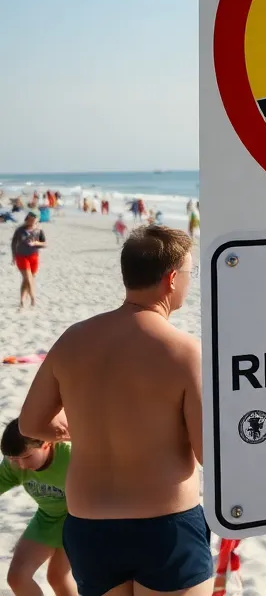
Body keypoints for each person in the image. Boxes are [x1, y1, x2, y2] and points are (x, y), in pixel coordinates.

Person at [19, 226, 211, 596]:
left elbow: (32, 422)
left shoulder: (73, 339)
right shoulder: (184, 351)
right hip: (165, 524)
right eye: (190, 272)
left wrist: (75, 429)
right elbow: (206, 453)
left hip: (90, 524)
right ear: (171, 279)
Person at [0, 420, 76, 596]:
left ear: (47, 444)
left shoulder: (71, 456)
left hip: (77, 519)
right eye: (13, 459)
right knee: (17, 577)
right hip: (48, 517)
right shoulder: (15, 463)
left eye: (27, 457)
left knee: (57, 576)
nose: (21, 465)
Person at [12, 213, 47, 309]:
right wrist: (13, 256)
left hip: (34, 256)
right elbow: (13, 243)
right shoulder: (20, 230)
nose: (31, 222)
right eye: (30, 219)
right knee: (28, 277)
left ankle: (22, 300)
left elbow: (44, 244)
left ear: (36, 221)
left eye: (33, 220)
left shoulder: (39, 230)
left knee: (27, 279)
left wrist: (36, 243)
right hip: (21, 256)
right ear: (26, 220)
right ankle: (33, 298)